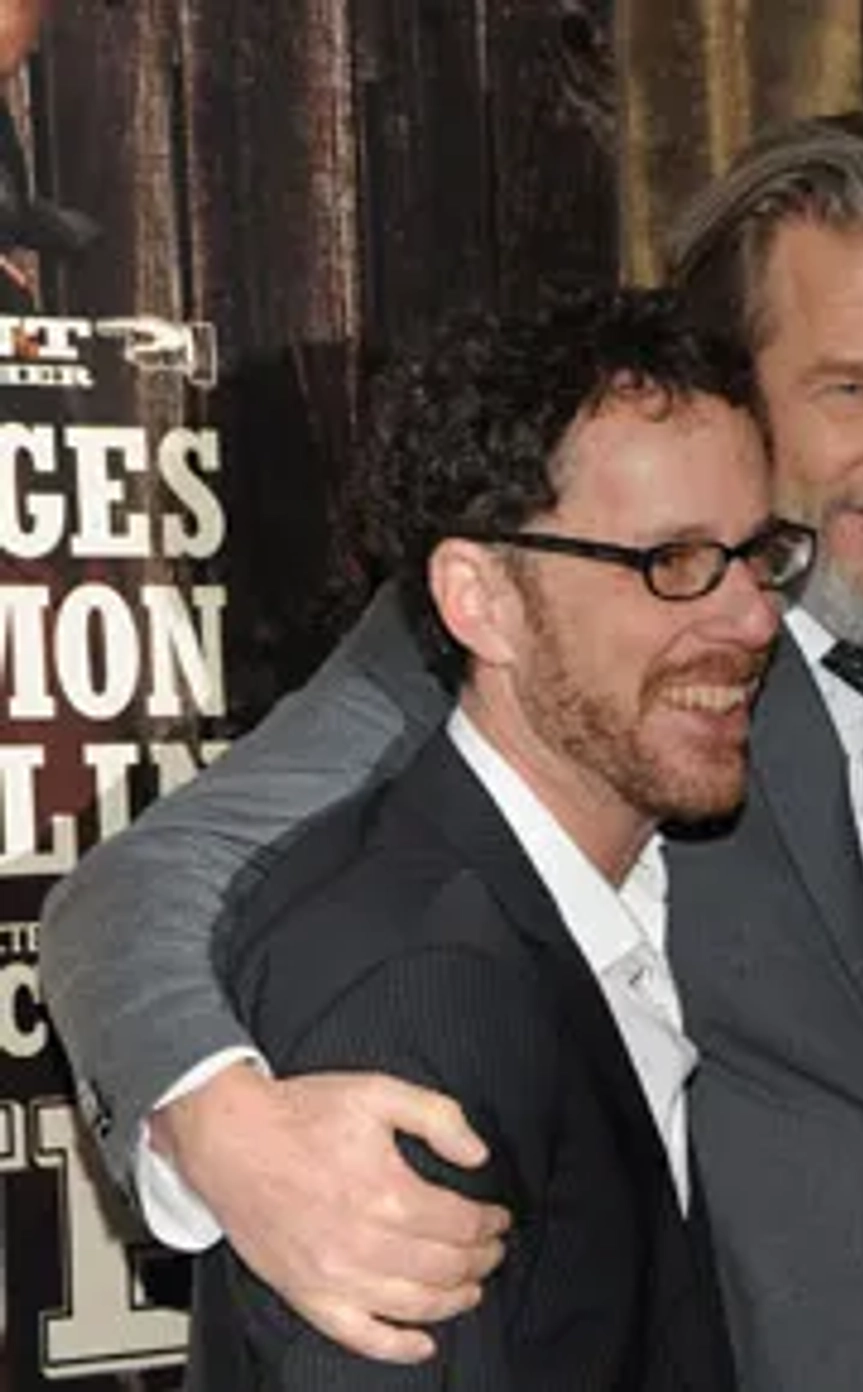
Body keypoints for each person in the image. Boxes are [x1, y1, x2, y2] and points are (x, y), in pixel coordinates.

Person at [42, 108, 863, 1391]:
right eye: (852, 389)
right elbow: (136, 889)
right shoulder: (579, 635)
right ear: (726, 390)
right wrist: (234, 1138)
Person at [190, 287, 800, 1386]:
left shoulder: (589, 889)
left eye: (761, 555)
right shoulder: (422, 992)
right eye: (673, 563)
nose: (754, 617)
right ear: (482, 601)